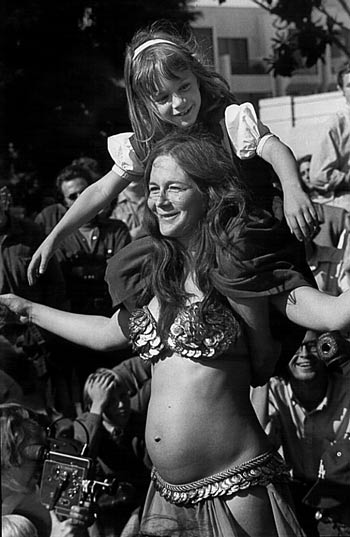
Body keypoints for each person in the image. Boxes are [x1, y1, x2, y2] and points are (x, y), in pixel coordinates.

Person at [6, 132, 350, 536]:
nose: (160, 200)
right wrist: (27, 310)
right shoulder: (158, 276)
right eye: (153, 188)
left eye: (175, 187)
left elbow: (332, 314)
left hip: (236, 487)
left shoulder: (241, 270)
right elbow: (104, 333)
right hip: (165, 493)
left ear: (208, 193)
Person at [266, 330, 350, 537]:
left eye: (313, 346)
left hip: (343, 493)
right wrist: (262, 376)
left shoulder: (346, 388)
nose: (304, 354)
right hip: (297, 492)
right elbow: (260, 444)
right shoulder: (275, 390)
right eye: (296, 345)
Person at [76, 366, 151, 536]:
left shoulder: (139, 425)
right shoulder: (86, 427)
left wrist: (136, 517)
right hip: (100, 510)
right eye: (110, 401)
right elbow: (82, 456)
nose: (121, 405)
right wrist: (96, 411)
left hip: (136, 507)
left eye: (123, 396)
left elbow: (151, 482)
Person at [1, 403, 93, 537]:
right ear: (9, 458)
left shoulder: (27, 491)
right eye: (34, 456)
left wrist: (74, 522)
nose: (41, 464)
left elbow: (59, 525)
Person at [309, 62, 350, 212]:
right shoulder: (336, 124)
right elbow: (319, 175)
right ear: (341, 90)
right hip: (344, 200)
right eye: (349, 85)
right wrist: (346, 178)